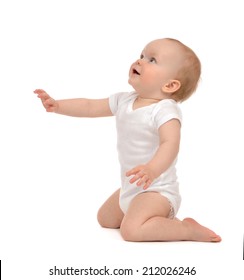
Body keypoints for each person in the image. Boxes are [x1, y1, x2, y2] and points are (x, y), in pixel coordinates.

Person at [34, 38, 221, 242]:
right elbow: (89, 106)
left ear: (170, 85)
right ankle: (146, 217)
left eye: (152, 60)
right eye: (141, 56)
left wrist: (152, 169)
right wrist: (58, 106)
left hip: (157, 190)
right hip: (132, 187)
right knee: (105, 219)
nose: (140, 61)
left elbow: (171, 144)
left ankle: (186, 229)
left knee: (131, 231)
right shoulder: (125, 100)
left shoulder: (164, 109)